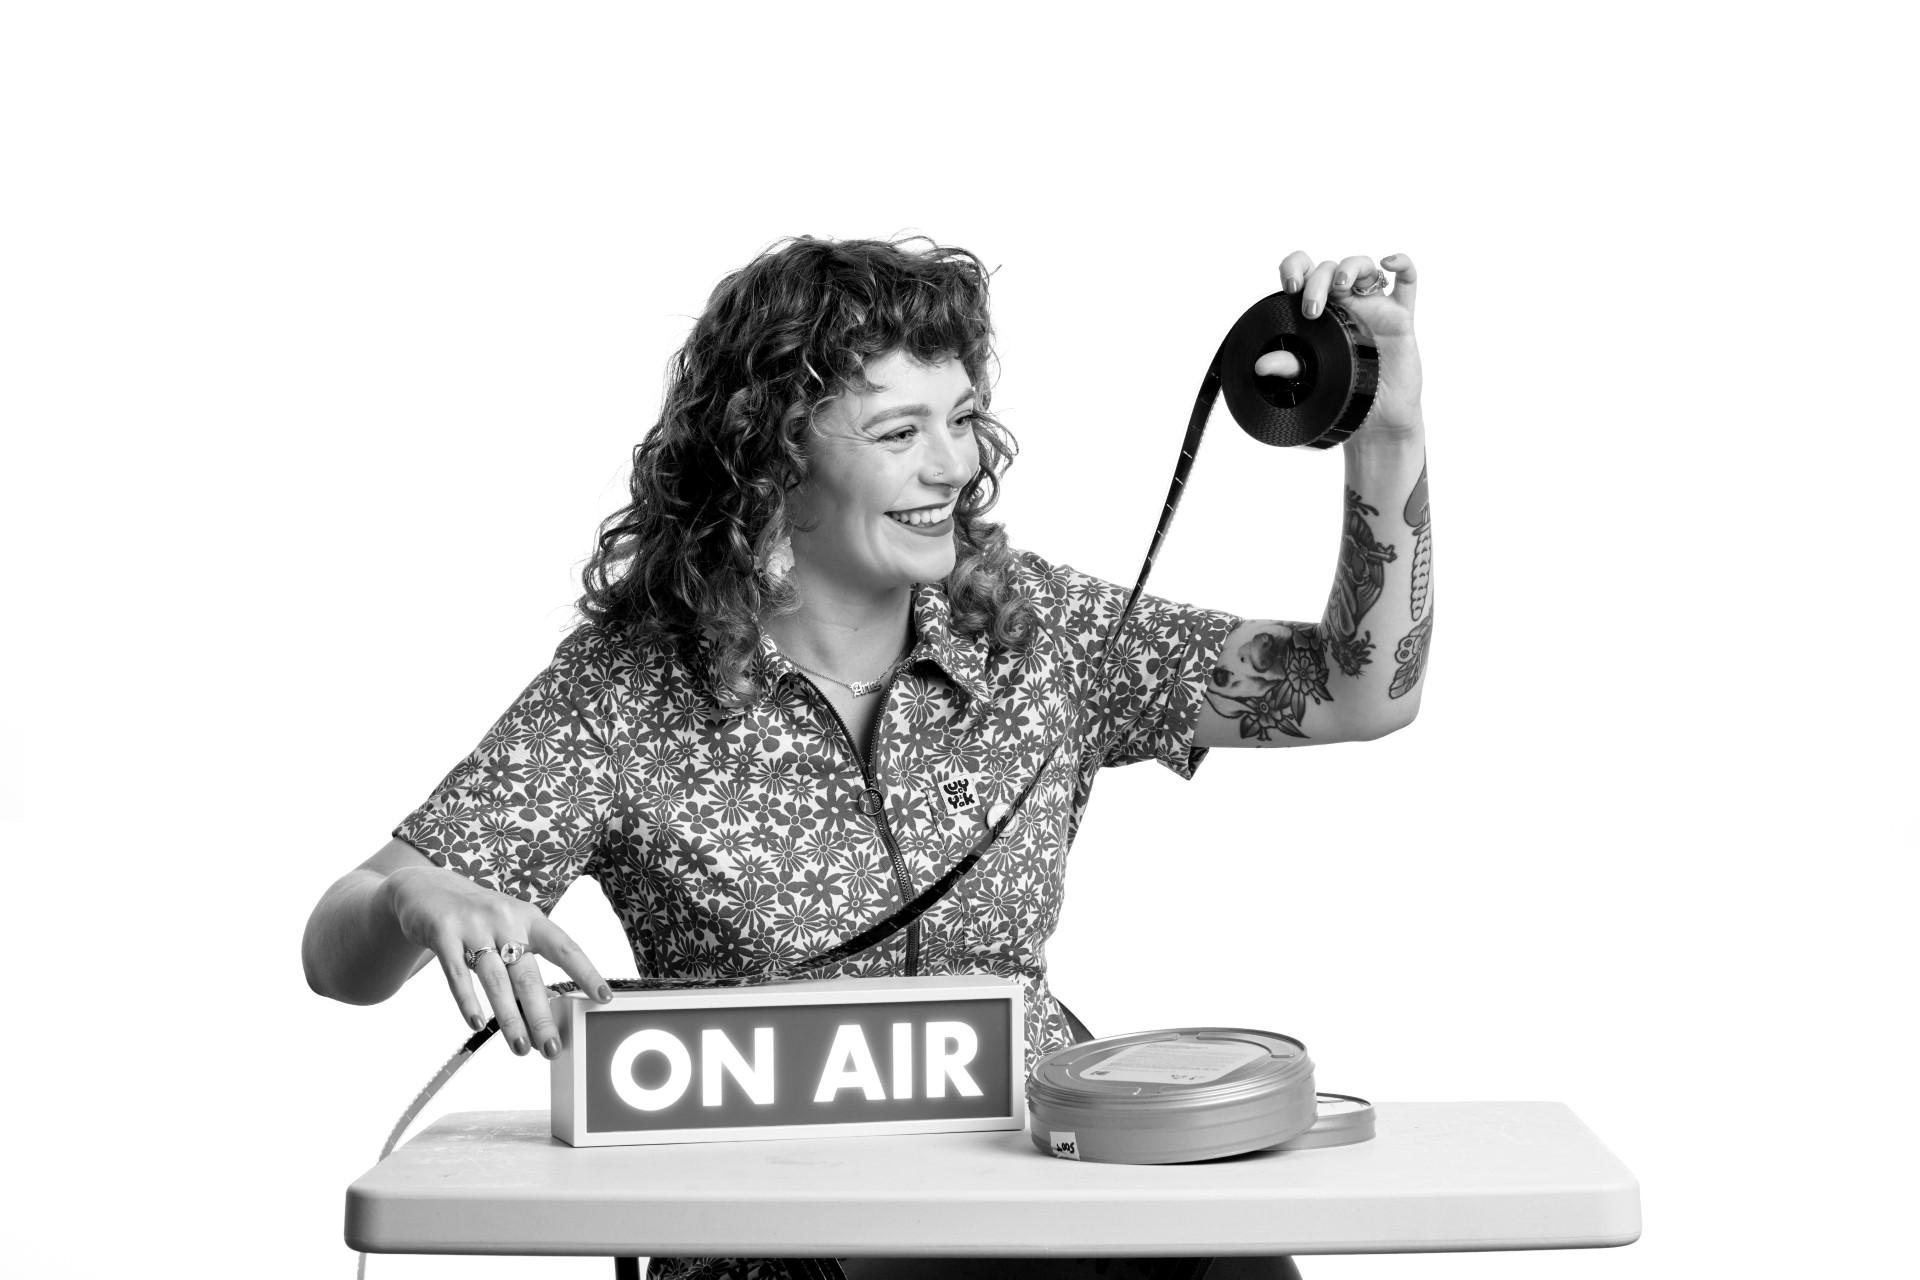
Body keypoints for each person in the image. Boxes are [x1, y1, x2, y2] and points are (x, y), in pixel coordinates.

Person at [304, 236, 1431, 1280]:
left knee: (1236, 1257)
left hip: (1047, 1201)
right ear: (770, 458)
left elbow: (1358, 687)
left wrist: (1386, 434)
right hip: (774, 1233)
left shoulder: (1039, 631)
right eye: (898, 433)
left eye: (964, 418)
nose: (954, 465)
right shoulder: (627, 694)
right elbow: (338, 952)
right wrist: (414, 897)